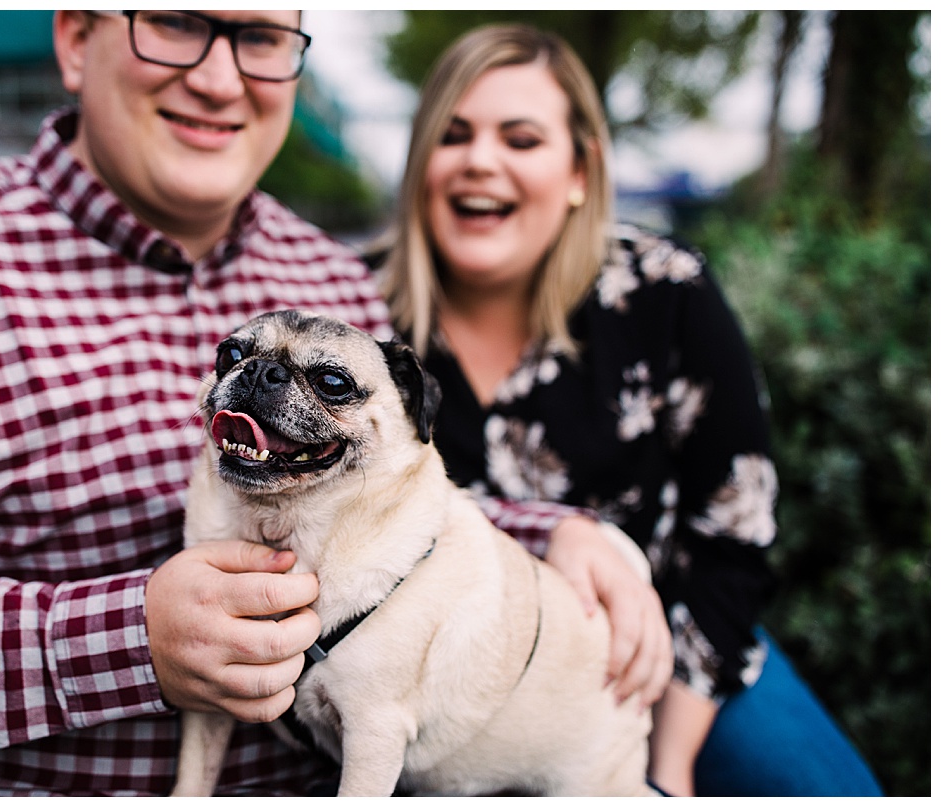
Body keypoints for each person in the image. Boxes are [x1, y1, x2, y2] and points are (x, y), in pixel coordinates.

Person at [0, 11, 667, 796]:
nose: (221, 77)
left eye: (262, 37)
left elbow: (386, 505)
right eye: (179, 22)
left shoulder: (327, 272)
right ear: (75, 40)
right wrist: (121, 641)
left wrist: (558, 533)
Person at [376, 22, 884, 797]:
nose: (481, 160)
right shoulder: (357, 330)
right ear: (421, 167)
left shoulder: (664, 292)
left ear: (580, 170)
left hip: (677, 660)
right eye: (453, 135)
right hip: (467, 689)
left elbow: (733, 534)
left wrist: (669, 767)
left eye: (521, 138)